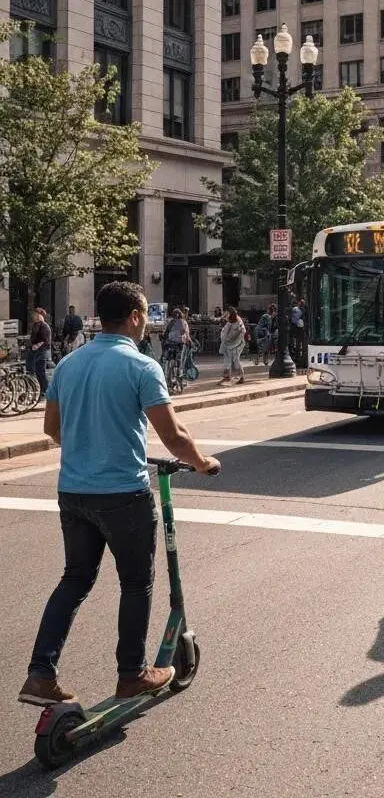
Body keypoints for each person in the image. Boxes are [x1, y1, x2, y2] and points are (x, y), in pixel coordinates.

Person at [18, 281, 220, 707]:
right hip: (123, 494)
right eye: (144, 315)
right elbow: (174, 436)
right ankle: (131, 674)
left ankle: (40, 674)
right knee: (136, 583)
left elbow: (52, 429)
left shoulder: (69, 364)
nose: (146, 323)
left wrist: (87, 444)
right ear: (133, 317)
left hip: (73, 492)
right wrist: (203, 463)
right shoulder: (142, 366)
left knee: (74, 579)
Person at [219, 306, 247, 385]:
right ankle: (227, 376)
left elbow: (238, 333)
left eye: (227, 313)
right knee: (227, 360)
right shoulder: (230, 321)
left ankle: (240, 376)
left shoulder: (237, 322)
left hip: (236, 344)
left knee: (235, 359)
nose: (226, 314)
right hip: (229, 343)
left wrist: (228, 339)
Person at [28, 308, 53, 395]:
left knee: (40, 372)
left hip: (41, 351)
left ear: (39, 315)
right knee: (38, 372)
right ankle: (41, 390)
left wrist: (36, 346)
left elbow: (44, 340)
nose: (33, 316)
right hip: (36, 350)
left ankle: (45, 390)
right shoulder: (36, 325)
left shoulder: (44, 326)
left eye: (35, 315)